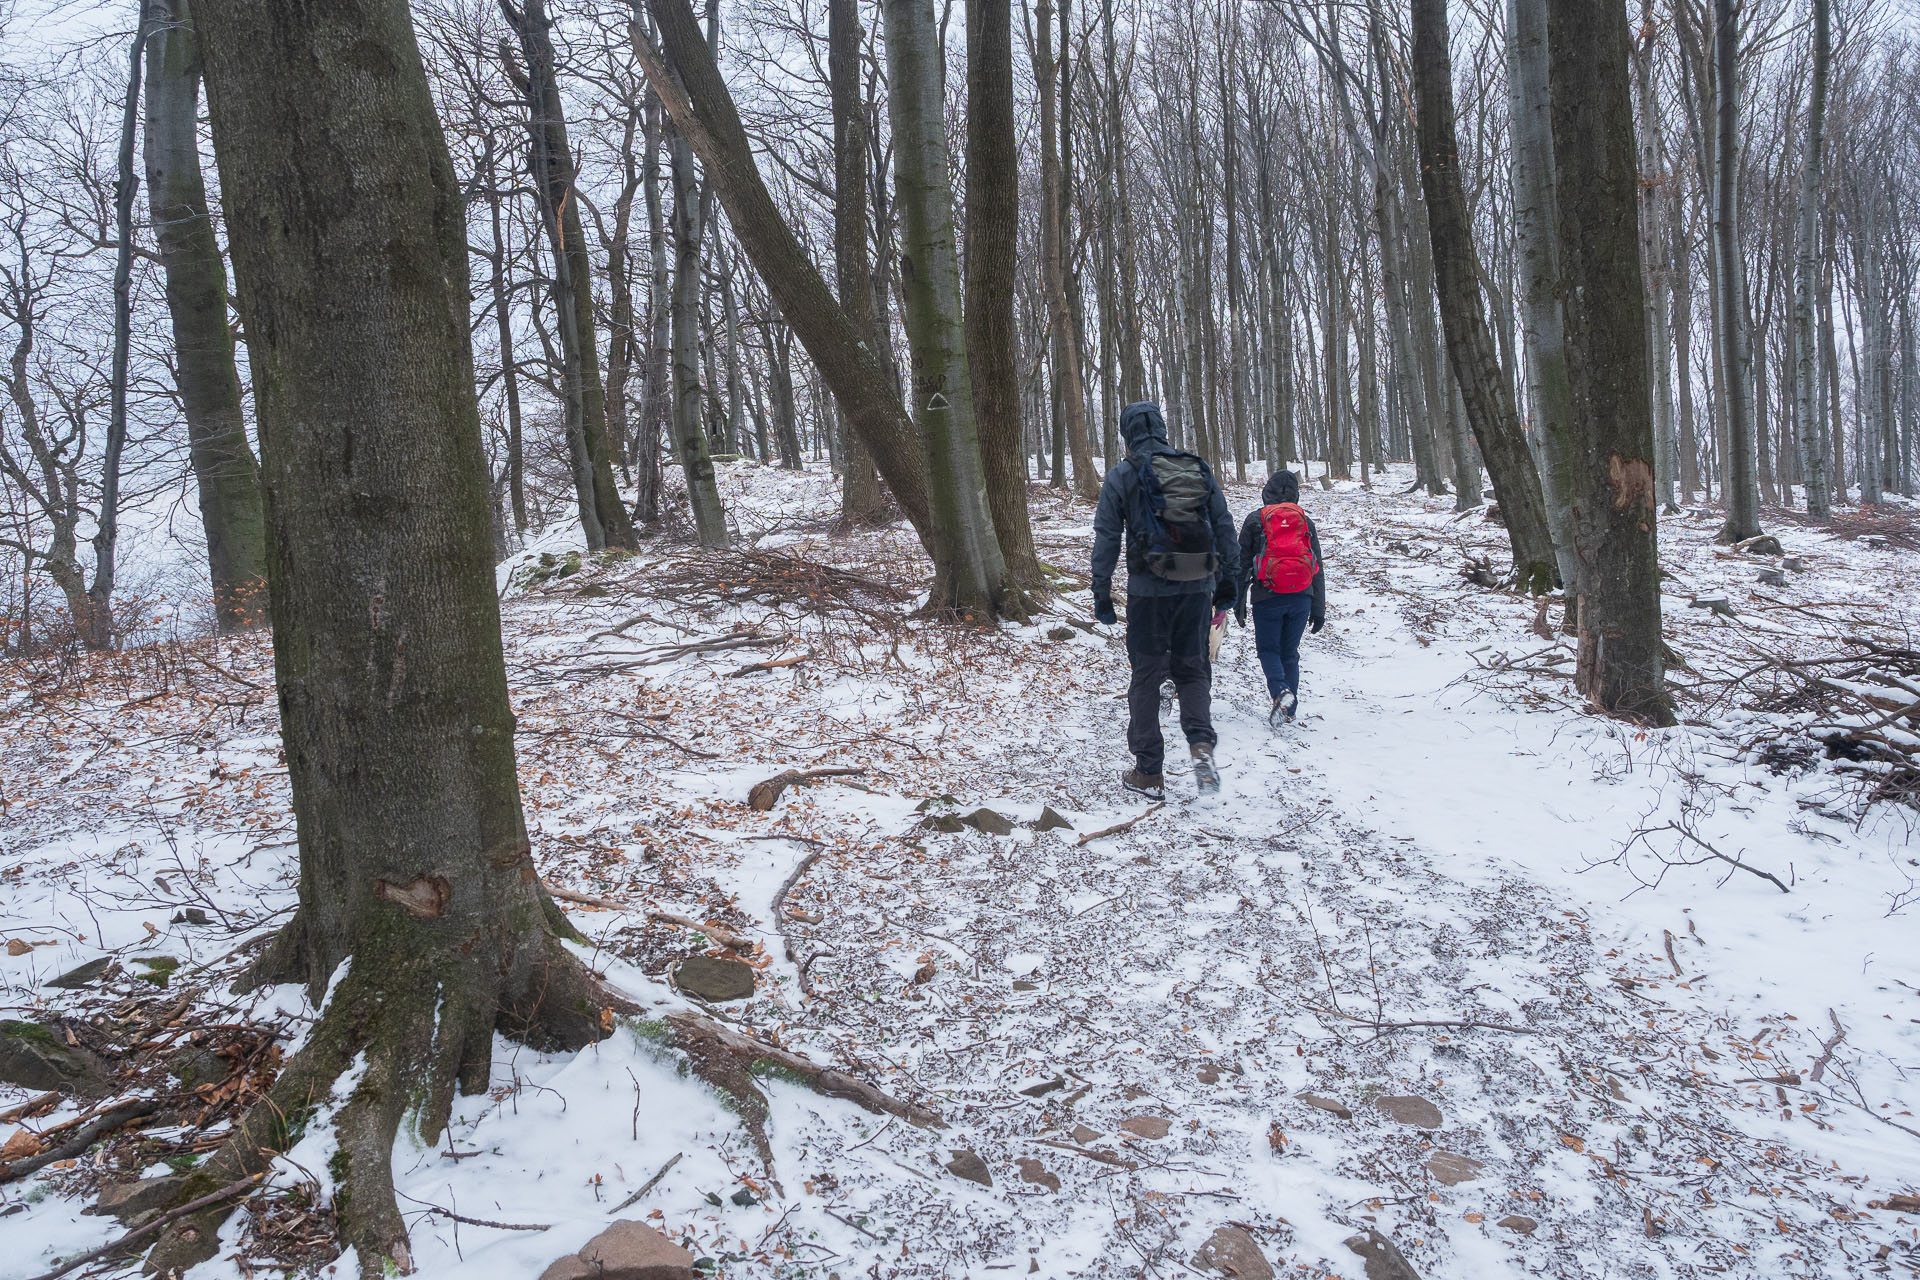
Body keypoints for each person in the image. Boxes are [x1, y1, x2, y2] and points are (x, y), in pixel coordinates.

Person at [1091, 402, 1238, 799]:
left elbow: (1107, 537)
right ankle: (1201, 744)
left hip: (1147, 593)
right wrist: (1227, 584)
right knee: (1193, 671)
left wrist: (1101, 592)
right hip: (1196, 587)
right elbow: (1223, 527)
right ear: (1161, 428)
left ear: (1127, 433)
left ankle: (1148, 772)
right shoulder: (1196, 467)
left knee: (1146, 677)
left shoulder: (1123, 475)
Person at [1234, 469, 1326, 726]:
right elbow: (1317, 565)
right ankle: (1289, 709)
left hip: (1267, 596)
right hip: (1302, 596)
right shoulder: (1305, 522)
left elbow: (1240, 566)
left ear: (1267, 491)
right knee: (1289, 652)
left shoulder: (1255, 520)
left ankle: (1280, 692)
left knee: (1268, 650)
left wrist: (1237, 603)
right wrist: (1319, 609)